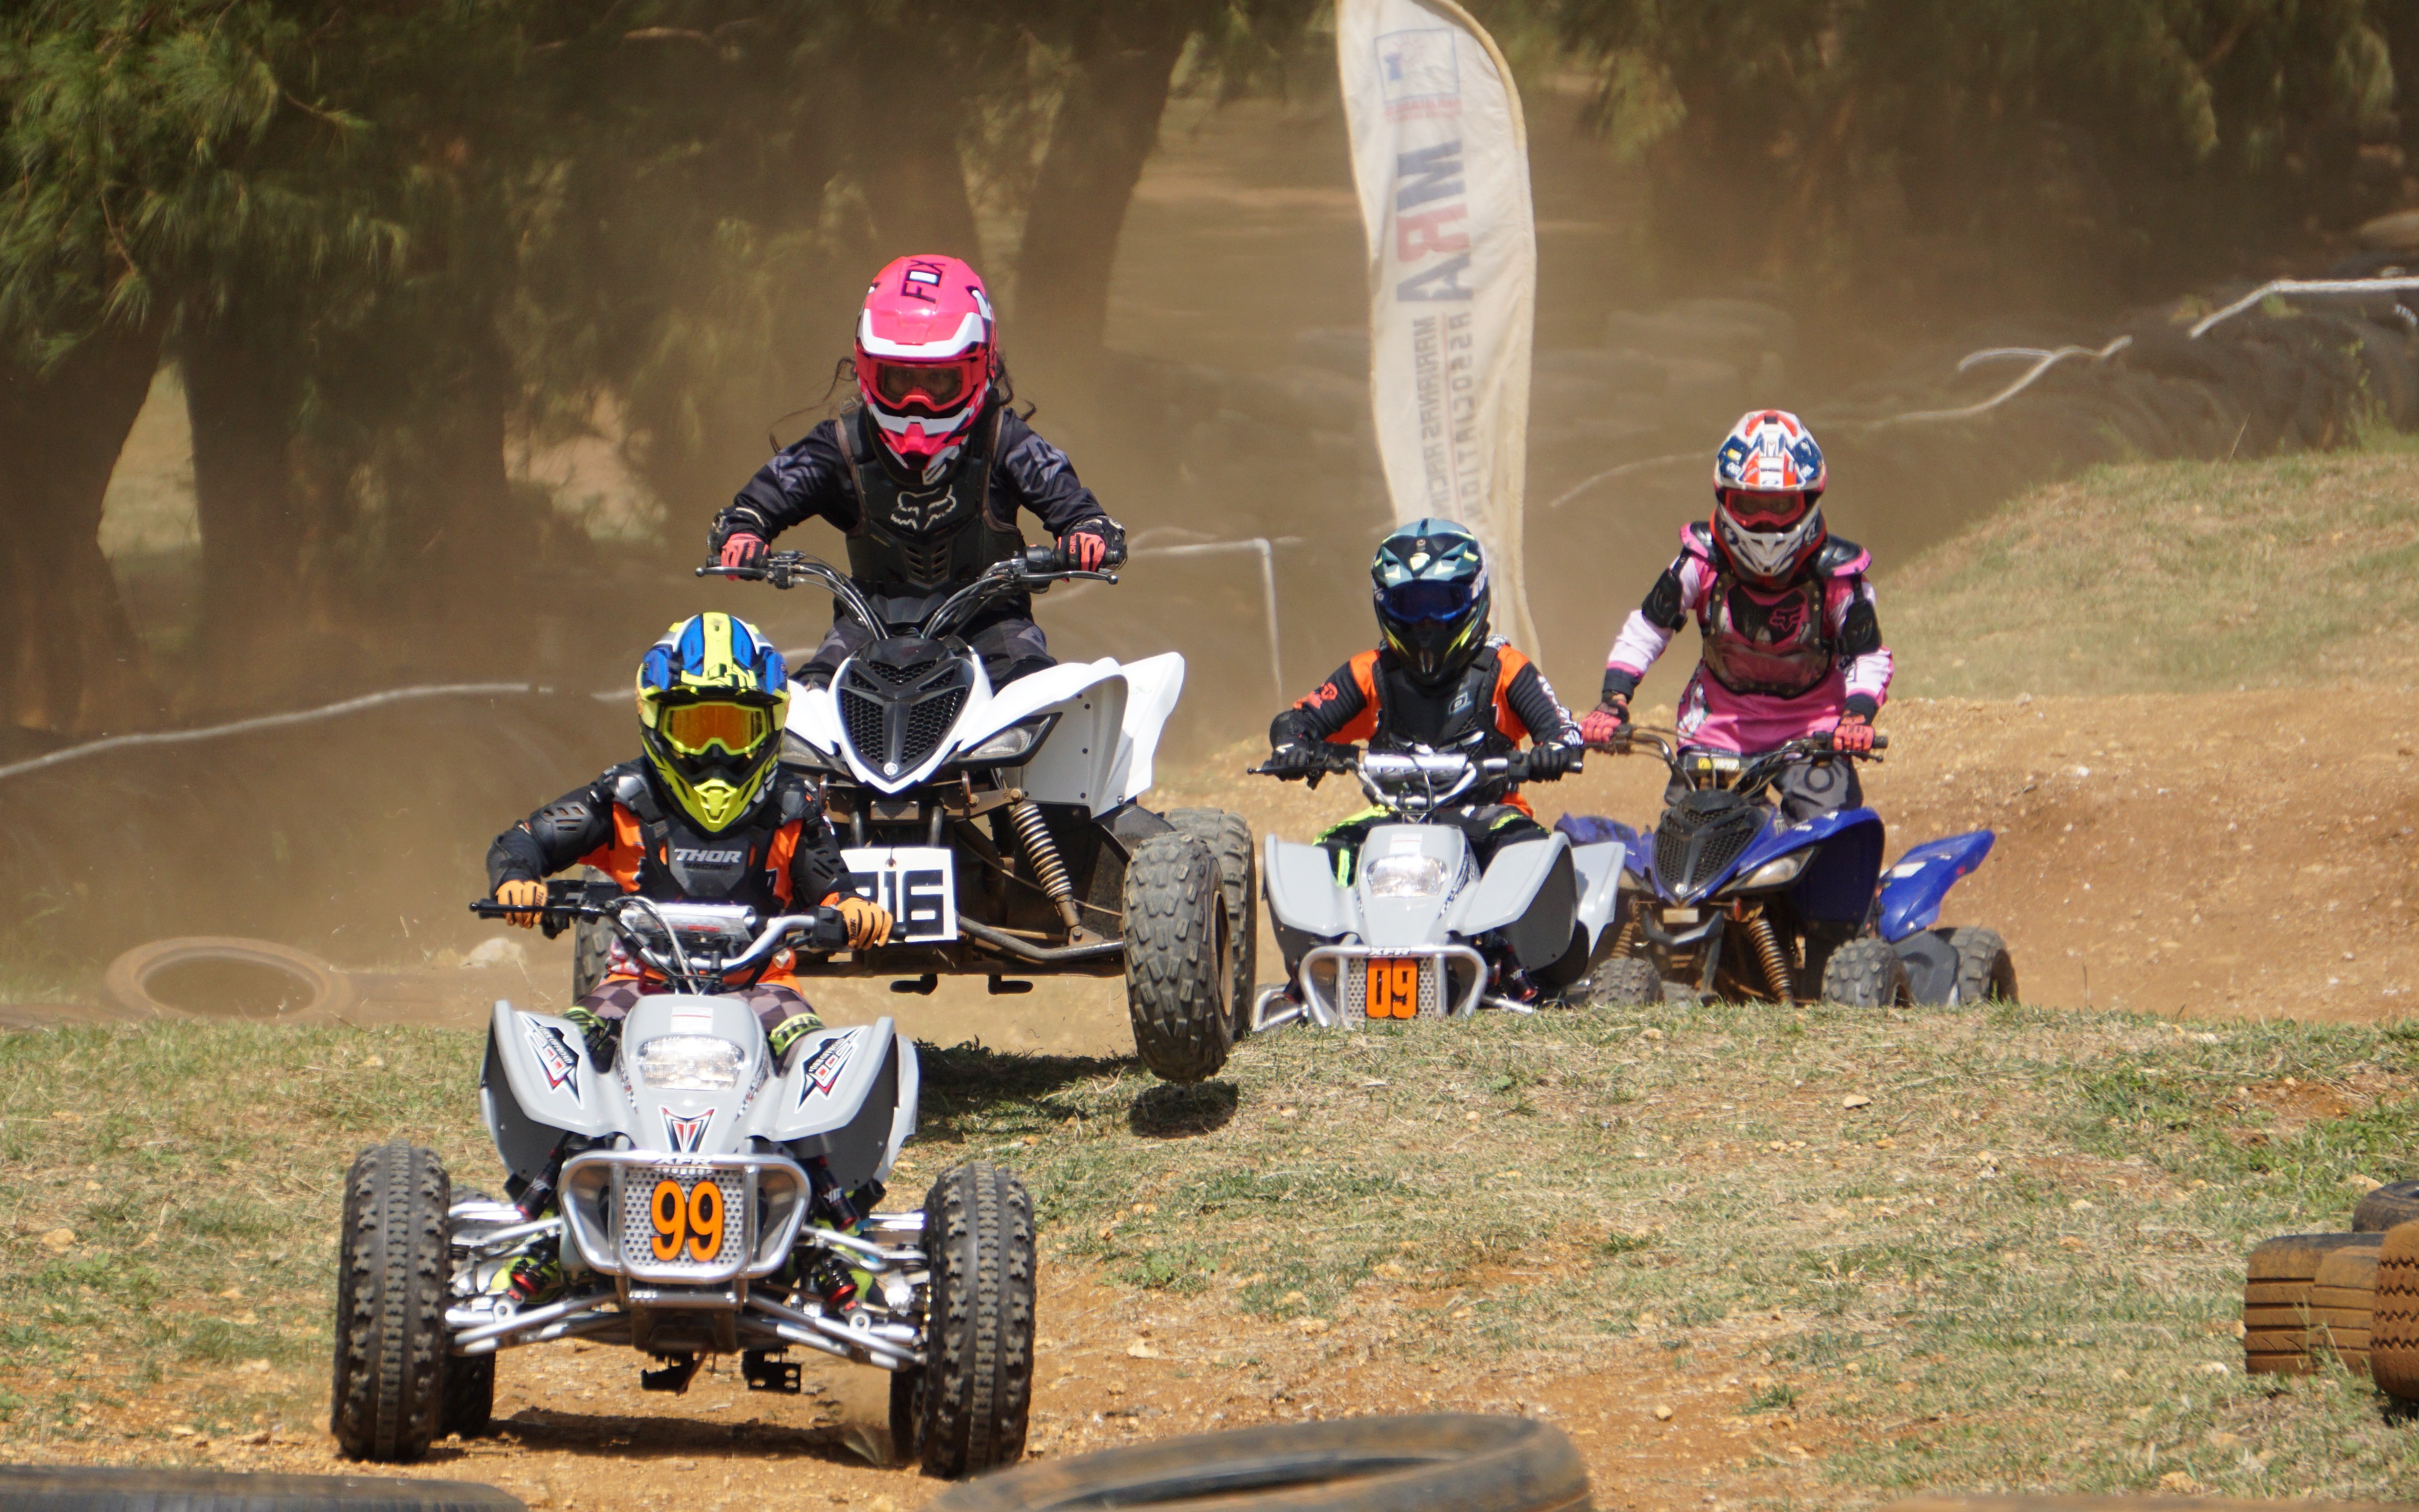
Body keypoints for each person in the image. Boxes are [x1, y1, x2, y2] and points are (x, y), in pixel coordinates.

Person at [486, 612, 893, 1065]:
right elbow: (524, 840)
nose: (715, 753)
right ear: (655, 720)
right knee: (560, 1057)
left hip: (765, 989)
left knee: (815, 1062)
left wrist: (854, 909)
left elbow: (835, 891)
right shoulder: (622, 798)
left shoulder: (793, 809)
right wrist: (516, 878)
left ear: (772, 724)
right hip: (634, 986)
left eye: (736, 731)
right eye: (695, 730)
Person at [707, 254, 1125, 690]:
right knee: (800, 718)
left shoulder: (1005, 439)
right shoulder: (843, 443)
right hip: (865, 625)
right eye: (899, 381)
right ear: (867, 369)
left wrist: (1086, 533)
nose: (916, 404)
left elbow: (1075, 508)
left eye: (939, 383)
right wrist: (744, 531)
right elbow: (761, 500)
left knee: (1041, 703)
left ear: (981, 366)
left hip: (992, 628)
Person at [1579, 409, 1893, 824]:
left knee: (1833, 838)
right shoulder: (1699, 559)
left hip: (1814, 737)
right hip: (1716, 730)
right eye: (1749, 505)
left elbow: (1868, 656)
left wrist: (1856, 716)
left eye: (1781, 505)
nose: (1765, 522)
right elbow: (1648, 628)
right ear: (1725, 497)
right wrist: (1613, 699)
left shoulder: (1839, 575)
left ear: (1810, 499)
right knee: (1691, 846)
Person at [1263, 518, 1584, 880]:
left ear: (1474, 597)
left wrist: (1554, 750)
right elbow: (1299, 720)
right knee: (1325, 858)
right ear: (1386, 605)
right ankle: (1333, 939)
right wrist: (1293, 746)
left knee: (1541, 865)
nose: (1426, 623)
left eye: (1442, 603)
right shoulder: (1371, 672)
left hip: (1490, 814)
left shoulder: (1505, 669)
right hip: (1391, 817)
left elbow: (1562, 729)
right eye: (1411, 606)